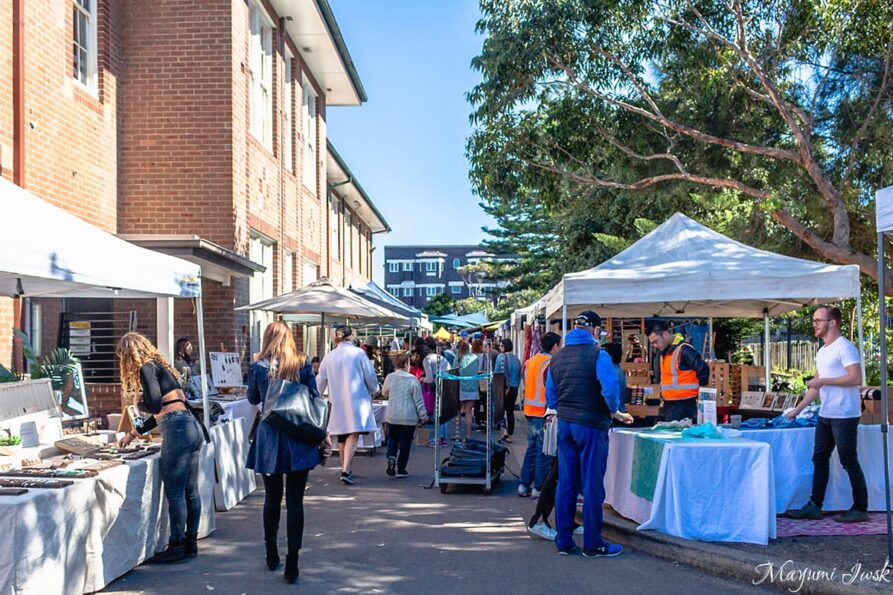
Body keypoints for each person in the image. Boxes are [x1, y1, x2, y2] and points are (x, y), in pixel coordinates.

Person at [545, 311, 633, 557]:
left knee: (566, 483)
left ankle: (564, 541)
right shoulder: (599, 355)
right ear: (594, 329)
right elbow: (610, 390)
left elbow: (550, 396)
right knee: (593, 485)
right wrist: (613, 411)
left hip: (565, 425)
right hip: (592, 425)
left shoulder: (557, 357)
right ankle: (593, 544)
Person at [117, 332, 207, 564]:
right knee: (191, 490)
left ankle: (176, 545)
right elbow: (166, 408)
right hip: (191, 427)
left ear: (129, 355)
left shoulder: (146, 368)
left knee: (176, 492)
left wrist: (139, 403)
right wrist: (133, 433)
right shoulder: (162, 367)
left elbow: (155, 405)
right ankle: (191, 542)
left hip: (177, 431)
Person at [245, 321, 325, 583]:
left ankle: (271, 553)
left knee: (271, 497)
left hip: (269, 437)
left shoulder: (258, 365)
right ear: (290, 337)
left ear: (267, 338)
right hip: (298, 436)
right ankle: (293, 563)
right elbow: (314, 396)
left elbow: (254, 398)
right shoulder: (301, 362)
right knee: (295, 502)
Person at [784, 306, 868, 523]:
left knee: (849, 461)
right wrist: (798, 409)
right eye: (814, 321)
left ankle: (860, 508)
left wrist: (823, 381)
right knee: (819, 458)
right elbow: (816, 387)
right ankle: (815, 506)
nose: (815, 324)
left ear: (832, 322)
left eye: (818, 320)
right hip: (826, 413)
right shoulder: (822, 351)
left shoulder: (845, 347)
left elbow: (855, 378)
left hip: (845, 414)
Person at [317, 326, 379, 486]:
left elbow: (320, 380)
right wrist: (375, 389)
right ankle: (345, 470)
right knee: (354, 432)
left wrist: (316, 395)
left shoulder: (329, 356)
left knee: (343, 433)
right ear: (352, 336)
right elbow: (370, 376)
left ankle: (345, 468)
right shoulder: (359, 354)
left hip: (336, 400)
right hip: (356, 399)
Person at [518, 332, 561, 499]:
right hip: (543, 412)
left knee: (532, 449)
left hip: (529, 410)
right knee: (544, 451)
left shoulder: (531, 361)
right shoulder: (550, 363)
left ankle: (523, 484)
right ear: (555, 346)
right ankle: (539, 487)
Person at [646, 321, 710, 422]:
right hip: (670, 404)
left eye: (655, 341)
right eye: (652, 343)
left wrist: (701, 395)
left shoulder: (684, 350)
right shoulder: (666, 353)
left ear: (665, 334)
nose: (654, 345)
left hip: (684, 405)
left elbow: (703, 369)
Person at [382, 352, 427, 478]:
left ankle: (391, 457)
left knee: (392, 438)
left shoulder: (390, 377)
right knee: (405, 443)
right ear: (406, 364)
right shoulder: (413, 380)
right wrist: (423, 416)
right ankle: (401, 469)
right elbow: (419, 400)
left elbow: (384, 392)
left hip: (393, 415)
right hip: (409, 418)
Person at [495, 338, 522, 443]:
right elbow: (519, 376)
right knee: (510, 411)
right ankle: (510, 434)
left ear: (504, 347)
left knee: (501, 410)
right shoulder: (516, 359)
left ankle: (504, 432)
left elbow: (497, 373)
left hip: (503, 387)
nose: (500, 347)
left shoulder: (500, 357)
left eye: (501, 346)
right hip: (514, 387)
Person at [456, 340, 480, 442]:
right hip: (473, 387)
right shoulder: (475, 358)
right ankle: (469, 434)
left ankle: (457, 433)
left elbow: (454, 370)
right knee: (468, 412)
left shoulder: (459, 358)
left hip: (461, 387)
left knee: (458, 411)